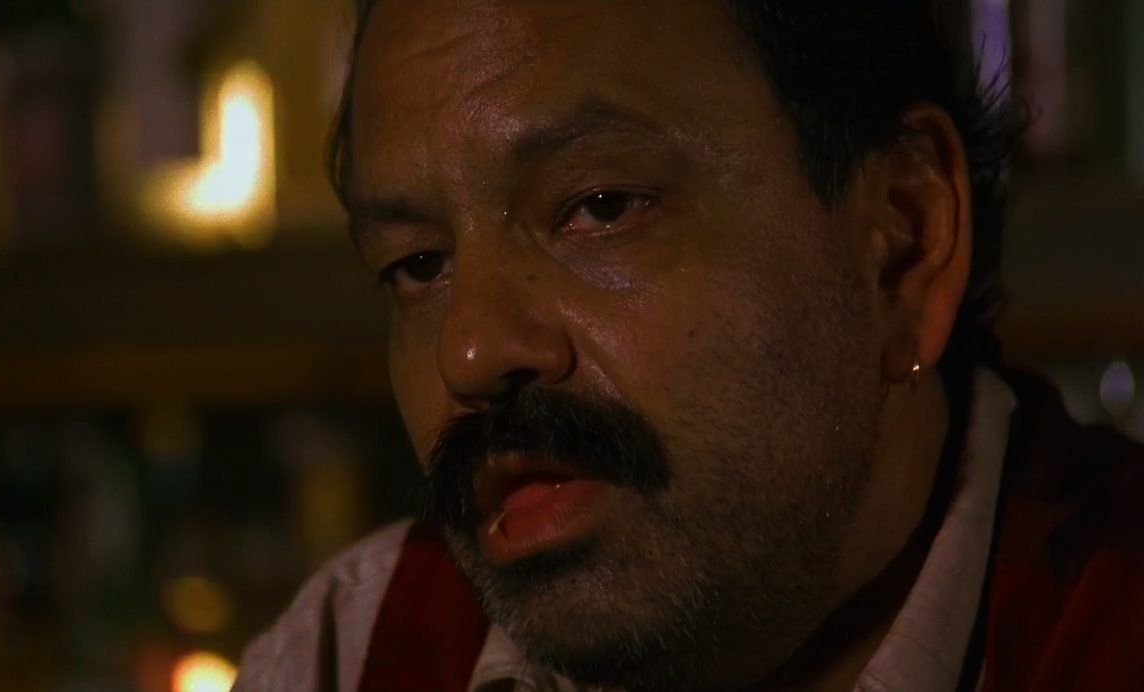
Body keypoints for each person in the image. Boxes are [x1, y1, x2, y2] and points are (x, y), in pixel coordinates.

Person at [235, 1, 1144, 690]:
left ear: (901, 239)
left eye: (599, 209)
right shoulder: (354, 655)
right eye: (417, 265)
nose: (469, 354)